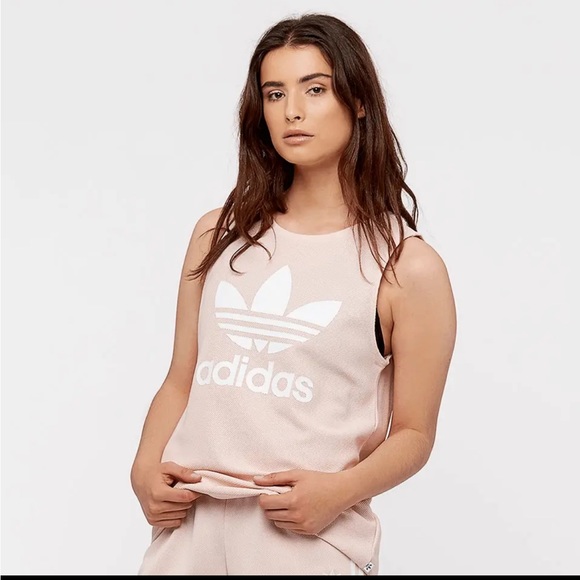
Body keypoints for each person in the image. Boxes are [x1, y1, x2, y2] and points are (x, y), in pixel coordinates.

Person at [130, 12, 457, 576]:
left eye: (315, 89)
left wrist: (338, 492)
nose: (292, 111)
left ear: (358, 101)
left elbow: (414, 432)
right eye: (275, 93)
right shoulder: (219, 234)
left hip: (303, 537)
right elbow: (182, 377)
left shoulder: (407, 266)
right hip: (189, 527)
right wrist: (143, 468)